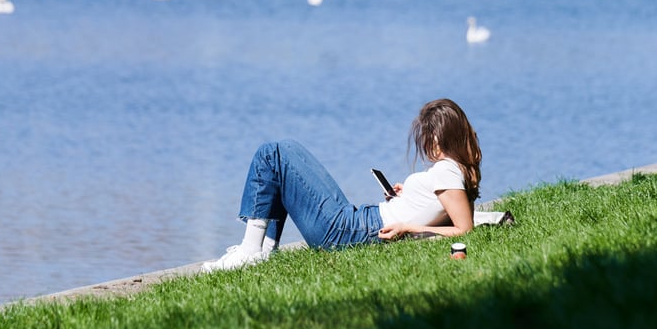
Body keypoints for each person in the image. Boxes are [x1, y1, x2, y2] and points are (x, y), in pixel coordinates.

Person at [201, 98, 482, 272]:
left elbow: (464, 229)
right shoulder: (453, 171)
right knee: (283, 153)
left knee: (273, 154)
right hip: (358, 223)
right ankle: (262, 251)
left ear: (442, 136)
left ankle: (251, 251)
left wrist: (409, 227)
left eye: (428, 136)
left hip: (351, 231)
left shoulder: (447, 171)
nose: (425, 143)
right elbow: (445, 211)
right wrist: (405, 199)